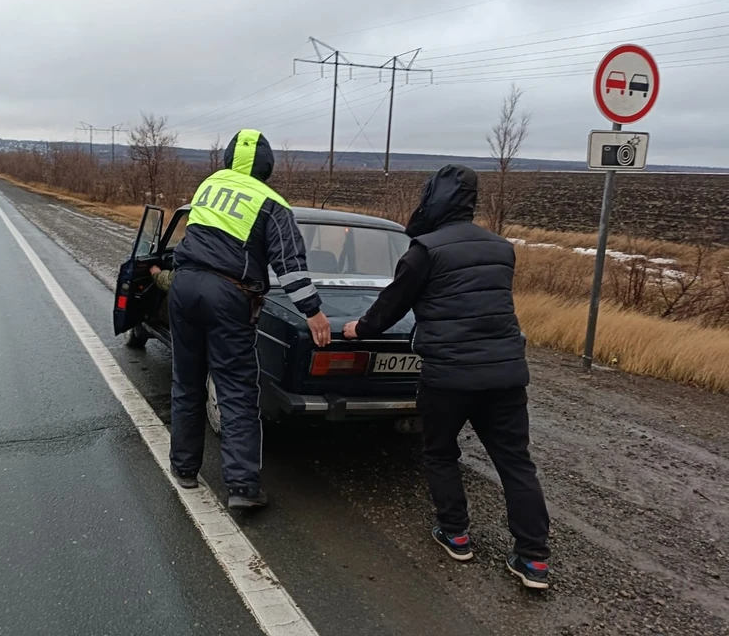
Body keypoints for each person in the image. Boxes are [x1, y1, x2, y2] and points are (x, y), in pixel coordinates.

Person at [342, 164, 551, 590]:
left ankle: (456, 535)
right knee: (516, 463)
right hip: (507, 374)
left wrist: (357, 330)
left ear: (432, 197)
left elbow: (391, 306)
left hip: (449, 375)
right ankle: (534, 560)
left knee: (440, 453)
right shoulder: (501, 248)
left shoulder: (424, 250)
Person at [169, 128, 331, 509]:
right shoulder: (272, 203)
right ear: (268, 165)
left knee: (187, 381)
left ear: (228, 159)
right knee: (237, 389)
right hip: (228, 294)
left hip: (184, 284)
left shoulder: (209, 184)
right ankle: (243, 488)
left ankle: (184, 468)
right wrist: (314, 312)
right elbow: (290, 267)